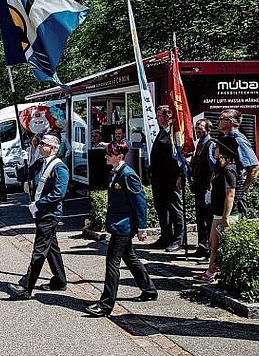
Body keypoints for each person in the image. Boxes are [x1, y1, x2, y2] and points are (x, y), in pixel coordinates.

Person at [85, 141, 158, 317]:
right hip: (119, 224)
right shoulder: (117, 173)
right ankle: (149, 289)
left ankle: (106, 304)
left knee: (112, 264)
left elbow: (139, 203)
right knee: (130, 257)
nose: (105, 157)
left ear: (119, 156)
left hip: (124, 227)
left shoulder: (127, 175)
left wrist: (142, 227)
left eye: (109, 154)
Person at [8, 134, 69, 299]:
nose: (41, 146)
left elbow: (59, 193)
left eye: (44, 144)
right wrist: (23, 161)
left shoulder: (59, 167)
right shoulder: (41, 162)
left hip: (50, 214)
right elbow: (23, 175)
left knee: (39, 250)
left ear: (53, 148)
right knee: (52, 248)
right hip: (40, 212)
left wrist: (39, 204)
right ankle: (60, 281)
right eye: (41, 143)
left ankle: (27, 287)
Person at [195, 136, 241, 283]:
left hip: (225, 213)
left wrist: (225, 217)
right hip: (217, 211)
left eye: (217, 147)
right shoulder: (221, 168)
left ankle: (213, 273)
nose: (214, 149)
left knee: (217, 243)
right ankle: (211, 271)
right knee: (213, 242)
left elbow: (230, 193)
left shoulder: (229, 169)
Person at [148, 105, 184, 252]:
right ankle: (165, 236)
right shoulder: (162, 133)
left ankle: (178, 239)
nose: (157, 118)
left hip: (171, 179)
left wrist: (180, 175)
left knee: (175, 209)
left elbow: (181, 157)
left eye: (159, 115)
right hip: (159, 179)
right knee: (162, 209)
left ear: (167, 116)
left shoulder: (174, 135)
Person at [217, 108, 259, 216]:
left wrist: (241, 189)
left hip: (235, 197)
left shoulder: (238, 139)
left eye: (221, 119)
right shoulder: (225, 138)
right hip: (225, 193)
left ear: (230, 122)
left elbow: (255, 167)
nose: (218, 121)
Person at [190, 119, 216, 258]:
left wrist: (211, 186)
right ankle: (202, 245)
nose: (197, 130)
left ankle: (209, 247)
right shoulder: (199, 144)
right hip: (198, 186)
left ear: (207, 129)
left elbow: (213, 167)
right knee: (200, 217)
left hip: (206, 186)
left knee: (208, 218)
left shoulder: (210, 145)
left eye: (200, 128)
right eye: (196, 128)